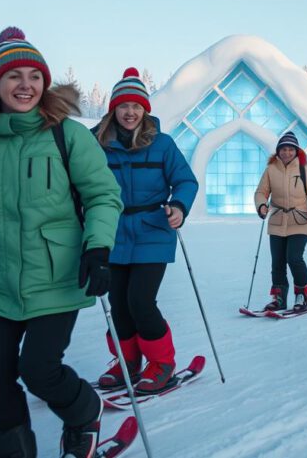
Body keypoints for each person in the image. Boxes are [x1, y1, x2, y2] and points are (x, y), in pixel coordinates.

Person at [0, 28, 123, 458]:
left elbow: (103, 195)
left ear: (45, 82)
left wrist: (98, 248)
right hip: (2, 279)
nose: (26, 85)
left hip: (58, 275)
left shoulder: (68, 135)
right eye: (14, 76)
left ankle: (84, 413)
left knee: (39, 370)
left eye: (34, 76)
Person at [93, 68, 198, 394]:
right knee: (118, 303)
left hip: (153, 228)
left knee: (140, 300)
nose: (129, 112)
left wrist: (178, 206)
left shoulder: (162, 144)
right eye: (123, 106)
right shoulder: (97, 144)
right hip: (113, 231)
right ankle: (127, 363)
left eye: (136, 106)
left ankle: (162, 362)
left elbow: (185, 180)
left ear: (145, 110)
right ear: (114, 109)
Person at [253, 131, 307, 312]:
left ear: (296, 151)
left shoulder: (304, 169)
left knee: (294, 257)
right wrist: (262, 205)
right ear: (278, 151)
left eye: (290, 149)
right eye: (283, 149)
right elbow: (261, 192)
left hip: (299, 220)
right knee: (277, 261)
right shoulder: (271, 169)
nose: (286, 153)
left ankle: (303, 295)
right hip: (277, 220)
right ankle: (279, 298)